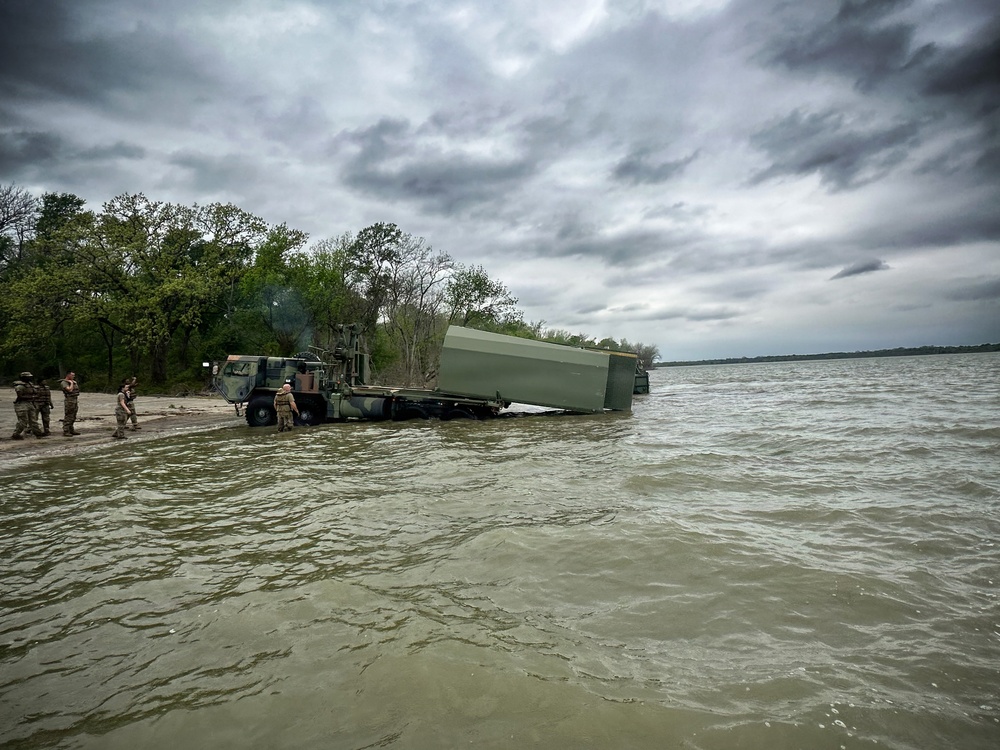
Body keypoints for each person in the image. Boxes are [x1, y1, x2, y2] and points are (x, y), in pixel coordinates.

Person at [11, 371, 44, 440]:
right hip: (22, 404)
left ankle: (38, 433)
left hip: (30, 403)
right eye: (28, 377)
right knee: (23, 421)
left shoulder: (30, 385)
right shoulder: (20, 386)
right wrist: (33, 397)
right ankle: (16, 434)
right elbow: (20, 396)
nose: (30, 378)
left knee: (33, 420)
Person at [60, 371, 81, 436]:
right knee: (68, 416)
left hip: (74, 400)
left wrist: (73, 382)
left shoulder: (74, 382)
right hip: (69, 400)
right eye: (72, 375)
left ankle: (71, 429)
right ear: (68, 375)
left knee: (73, 416)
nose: (73, 377)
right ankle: (66, 430)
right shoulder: (64, 382)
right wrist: (71, 383)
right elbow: (69, 390)